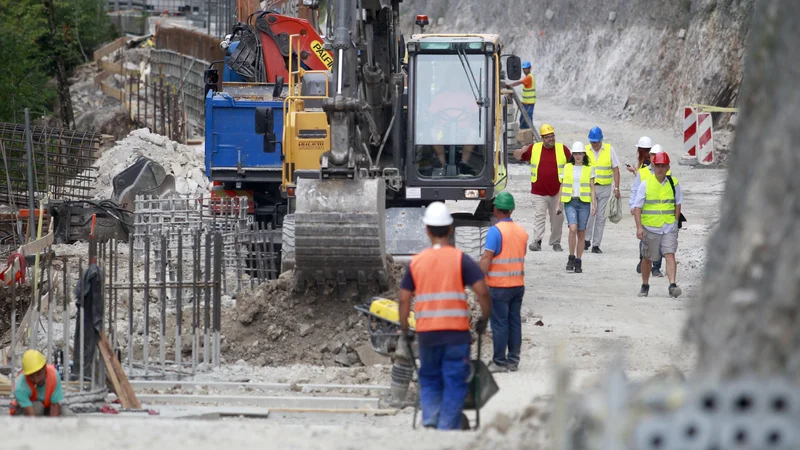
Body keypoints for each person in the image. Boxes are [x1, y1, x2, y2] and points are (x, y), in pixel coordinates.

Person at [398, 202, 491, 430]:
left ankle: (430, 421)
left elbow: (403, 298)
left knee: (429, 377)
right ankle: (447, 428)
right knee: (454, 381)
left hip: (427, 334)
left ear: (427, 230)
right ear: (450, 229)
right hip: (455, 336)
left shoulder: (417, 261)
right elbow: (483, 292)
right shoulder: (461, 259)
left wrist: (405, 328)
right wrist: (484, 319)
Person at [479, 192, 528, 373]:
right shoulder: (521, 232)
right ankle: (513, 360)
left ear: (495, 209)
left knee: (499, 324)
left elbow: (487, 258)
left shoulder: (495, 231)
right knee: (514, 322)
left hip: (499, 285)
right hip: (517, 284)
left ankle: (499, 362)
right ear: (511, 210)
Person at [632, 152, 683, 298]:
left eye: (663, 166)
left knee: (669, 254)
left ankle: (672, 285)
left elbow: (678, 203)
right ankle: (645, 284)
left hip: (668, 227)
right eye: (657, 165)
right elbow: (637, 207)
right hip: (650, 227)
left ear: (668, 167)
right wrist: (639, 227)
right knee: (647, 258)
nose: (660, 169)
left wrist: (675, 222)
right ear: (653, 166)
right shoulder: (645, 184)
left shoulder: (674, 183)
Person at [513, 124, 570, 252]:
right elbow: (517, 156)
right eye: (548, 137)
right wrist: (521, 151)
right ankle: (537, 241)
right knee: (539, 216)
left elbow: (572, 166)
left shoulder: (563, 149)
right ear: (542, 138)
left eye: (552, 136)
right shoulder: (534, 148)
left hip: (557, 192)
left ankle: (556, 242)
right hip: (538, 192)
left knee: (558, 218)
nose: (551, 139)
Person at [630, 143, 670, 277]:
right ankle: (643, 260)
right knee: (646, 240)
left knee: (659, 242)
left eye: (656, 155)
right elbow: (635, 190)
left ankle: (656, 268)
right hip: (646, 213)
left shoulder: (667, 173)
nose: (654, 158)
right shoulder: (643, 172)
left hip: (661, 214)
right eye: (652, 155)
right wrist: (633, 205)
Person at [558, 142, 597, 273]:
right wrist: (559, 204)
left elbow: (592, 188)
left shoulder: (589, 169)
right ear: (572, 155)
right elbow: (562, 186)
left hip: (584, 203)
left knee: (581, 233)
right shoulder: (567, 167)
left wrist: (594, 204)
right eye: (575, 153)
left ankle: (578, 261)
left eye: (580, 153)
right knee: (572, 228)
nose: (578, 156)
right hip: (570, 201)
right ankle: (571, 256)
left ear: (584, 154)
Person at [584, 127, 621, 254]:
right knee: (589, 214)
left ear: (601, 140)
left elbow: (616, 169)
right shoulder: (585, 150)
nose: (594, 144)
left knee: (601, 217)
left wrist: (616, 187)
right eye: (592, 142)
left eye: (596, 142)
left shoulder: (609, 150)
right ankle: (586, 239)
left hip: (605, 188)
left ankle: (596, 244)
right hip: (590, 188)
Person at [10, 349, 72, 417]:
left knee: (69, 416)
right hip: (25, 410)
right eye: (31, 376)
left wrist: (54, 425)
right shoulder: (20, 386)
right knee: (38, 407)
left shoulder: (54, 376)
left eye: (38, 374)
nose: (36, 380)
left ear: (45, 368)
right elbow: (31, 415)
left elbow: (54, 405)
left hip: (48, 407)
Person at [505, 61, 536, 129]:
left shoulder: (529, 77)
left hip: (529, 104)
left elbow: (519, 82)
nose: (525, 70)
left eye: (526, 69)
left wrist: (509, 85)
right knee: (522, 120)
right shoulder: (529, 77)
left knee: (528, 121)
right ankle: (523, 135)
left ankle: (529, 135)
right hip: (526, 104)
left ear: (529, 69)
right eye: (524, 69)